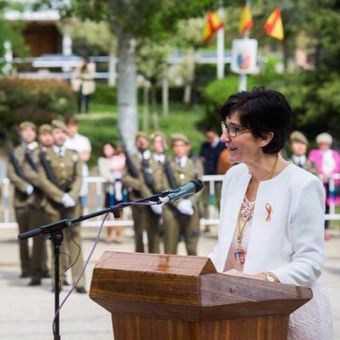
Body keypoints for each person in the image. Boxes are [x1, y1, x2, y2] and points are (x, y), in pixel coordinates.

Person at [208, 88, 332, 340]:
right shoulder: (234, 176)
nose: (223, 137)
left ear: (264, 137)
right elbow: (228, 246)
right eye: (224, 127)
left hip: (284, 312)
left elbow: (310, 264)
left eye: (234, 129)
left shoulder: (302, 185)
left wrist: (260, 279)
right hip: (233, 306)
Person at [36, 120, 87, 293]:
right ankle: (57, 280)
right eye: (56, 132)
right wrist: (60, 196)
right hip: (53, 205)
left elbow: (79, 177)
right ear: (52, 135)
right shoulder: (44, 155)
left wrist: (71, 196)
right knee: (56, 242)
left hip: (72, 204)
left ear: (66, 135)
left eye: (62, 133)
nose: (60, 136)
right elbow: (42, 180)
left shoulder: (73, 154)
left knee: (75, 239)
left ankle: (79, 281)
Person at [7, 121, 47, 283]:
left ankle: (42, 266)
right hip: (21, 200)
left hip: (38, 200)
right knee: (23, 237)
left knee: (40, 235)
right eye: (25, 131)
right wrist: (24, 187)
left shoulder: (42, 151)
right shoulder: (16, 151)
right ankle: (25, 267)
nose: (28, 134)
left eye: (31, 131)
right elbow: (11, 172)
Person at [154, 133, 203, 255]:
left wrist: (189, 202)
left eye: (181, 145)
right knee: (170, 249)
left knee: (192, 248)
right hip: (172, 209)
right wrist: (179, 203)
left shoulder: (195, 164)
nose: (178, 148)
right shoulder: (167, 165)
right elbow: (164, 186)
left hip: (191, 209)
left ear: (188, 147)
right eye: (175, 145)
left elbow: (200, 186)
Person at [122, 132, 160, 253]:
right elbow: (125, 177)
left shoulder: (153, 159)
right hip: (138, 199)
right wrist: (139, 185)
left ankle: (155, 260)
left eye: (144, 140)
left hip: (153, 199)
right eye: (139, 140)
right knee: (138, 232)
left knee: (153, 233)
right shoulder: (132, 159)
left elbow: (158, 176)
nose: (141, 142)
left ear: (148, 142)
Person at [309, 132, 340, 239]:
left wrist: (330, 174)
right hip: (319, 182)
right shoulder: (314, 153)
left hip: (331, 184)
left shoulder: (334, 154)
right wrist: (323, 172)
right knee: (317, 206)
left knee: (328, 207)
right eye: (322, 143)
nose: (324, 145)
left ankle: (325, 230)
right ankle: (316, 230)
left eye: (326, 143)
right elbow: (313, 165)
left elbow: (338, 166)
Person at [97, 142, 127, 243]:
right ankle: (109, 233)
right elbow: (104, 173)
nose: (107, 151)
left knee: (120, 211)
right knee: (109, 212)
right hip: (110, 189)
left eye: (109, 148)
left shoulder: (119, 157)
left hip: (120, 188)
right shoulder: (102, 160)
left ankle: (118, 233)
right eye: (105, 149)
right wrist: (115, 179)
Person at [199, 128, 226, 232]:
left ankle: (223, 223)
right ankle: (207, 224)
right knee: (205, 201)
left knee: (220, 200)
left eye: (210, 137)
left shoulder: (223, 145)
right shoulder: (204, 145)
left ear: (215, 134)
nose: (209, 139)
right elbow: (201, 158)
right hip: (206, 176)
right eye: (207, 137)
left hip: (219, 177)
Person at [64, 116, 92, 212]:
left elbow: (86, 156)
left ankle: (82, 222)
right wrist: (78, 155)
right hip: (67, 175)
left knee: (82, 199)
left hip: (82, 174)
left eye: (73, 126)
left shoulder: (83, 140)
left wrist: (73, 157)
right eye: (69, 126)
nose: (71, 129)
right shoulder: (64, 140)